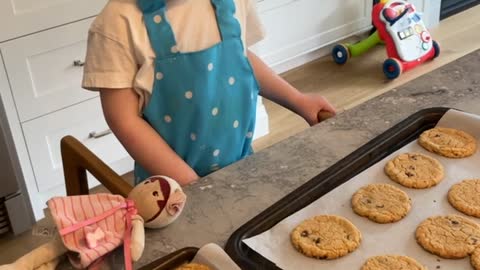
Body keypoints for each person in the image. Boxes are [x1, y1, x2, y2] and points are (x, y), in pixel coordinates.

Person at [82, 0, 336, 186]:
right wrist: (192, 185)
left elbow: (242, 59)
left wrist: (298, 100)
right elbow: (124, 120)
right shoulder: (116, 24)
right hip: (170, 189)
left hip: (240, 168)